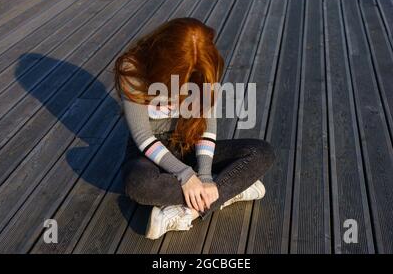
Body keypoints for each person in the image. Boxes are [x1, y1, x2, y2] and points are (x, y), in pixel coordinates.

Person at [114, 17, 275, 240]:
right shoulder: (132, 67)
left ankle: (184, 210)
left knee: (262, 152)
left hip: (188, 143)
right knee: (138, 184)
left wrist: (206, 176)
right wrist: (185, 175)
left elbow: (207, 126)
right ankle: (228, 191)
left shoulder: (201, 69)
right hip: (149, 153)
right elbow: (143, 137)